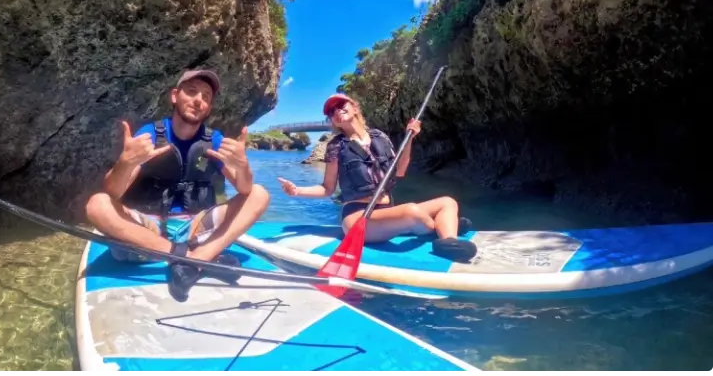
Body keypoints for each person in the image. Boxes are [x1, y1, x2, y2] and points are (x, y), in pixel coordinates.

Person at [85, 69, 269, 301]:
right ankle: (180, 256)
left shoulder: (213, 140)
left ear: (209, 108)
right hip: (149, 230)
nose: (198, 100)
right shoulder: (151, 134)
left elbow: (245, 190)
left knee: (260, 194)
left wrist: (243, 166)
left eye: (206, 97)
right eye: (191, 92)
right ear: (175, 95)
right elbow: (112, 192)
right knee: (97, 204)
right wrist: (125, 162)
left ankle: (200, 257)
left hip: (195, 229)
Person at [278, 93, 477, 260]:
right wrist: (297, 191)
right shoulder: (336, 146)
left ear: (355, 108)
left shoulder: (379, 137)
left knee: (447, 202)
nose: (336, 111)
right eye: (331, 112)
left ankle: (448, 240)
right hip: (358, 217)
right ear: (332, 121)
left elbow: (399, 170)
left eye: (340, 105)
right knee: (411, 212)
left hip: (385, 210)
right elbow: (327, 189)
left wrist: (410, 139)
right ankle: (440, 226)